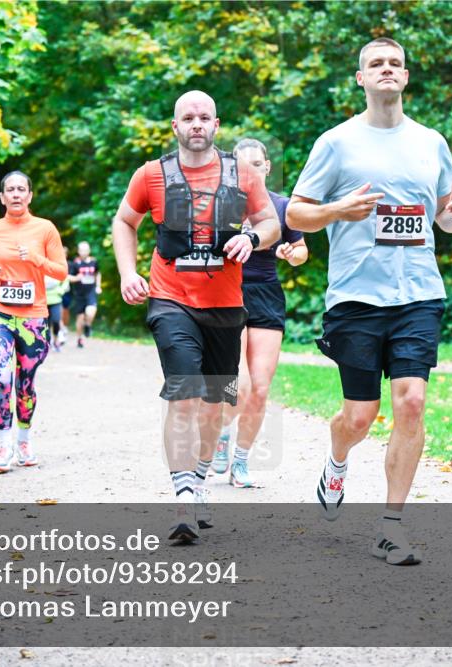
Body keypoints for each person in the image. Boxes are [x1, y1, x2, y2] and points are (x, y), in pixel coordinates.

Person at [288, 37, 452, 565]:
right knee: (359, 416)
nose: (386, 69)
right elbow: (297, 213)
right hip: (356, 296)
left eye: (395, 63)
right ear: (361, 78)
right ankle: (337, 463)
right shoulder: (336, 143)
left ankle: (390, 528)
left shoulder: (431, 143)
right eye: (376, 63)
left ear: (406, 76)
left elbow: (442, 214)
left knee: (411, 402)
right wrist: (337, 210)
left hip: (419, 292)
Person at [111, 90, 281, 543]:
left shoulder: (243, 173)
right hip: (171, 299)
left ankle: (200, 477)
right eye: (188, 118)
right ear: (176, 126)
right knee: (184, 392)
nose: (197, 124)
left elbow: (271, 223)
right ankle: (183, 497)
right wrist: (128, 272)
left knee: (216, 402)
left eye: (205, 117)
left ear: (216, 124)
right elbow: (124, 221)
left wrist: (253, 239)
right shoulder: (151, 175)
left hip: (225, 306)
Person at [213, 139, 309, 488]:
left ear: (267, 167)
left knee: (261, 388)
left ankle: (240, 461)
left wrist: (291, 254)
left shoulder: (282, 206)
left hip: (266, 294)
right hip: (228, 294)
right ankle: (222, 432)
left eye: (257, 163)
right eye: (242, 164)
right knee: (239, 384)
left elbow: (301, 251)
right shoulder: (222, 206)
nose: (250, 170)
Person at [0, 171, 67, 473]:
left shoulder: (45, 229)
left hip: (33, 317)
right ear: (2, 197)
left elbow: (61, 271)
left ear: (29, 195)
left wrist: (36, 258)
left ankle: (23, 441)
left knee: (25, 383)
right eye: (10, 190)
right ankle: (4, 445)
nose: (15, 194)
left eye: (21, 189)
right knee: (1, 377)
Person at [68, 241, 101, 348]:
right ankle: (79, 339)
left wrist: (98, 286)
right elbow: (68, 277)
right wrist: (76, 278)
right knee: (80, 318)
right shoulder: (75, 263)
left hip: (91, 291)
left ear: (89, 251)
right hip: (79, 294)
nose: (84, 252)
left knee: (91, 311)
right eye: (81, 250)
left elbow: (98, 273)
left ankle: (88, 325)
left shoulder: (94, 262)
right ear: (78, 251)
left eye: (85, 250)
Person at [45, 272, 69, 351]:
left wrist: (61, 290)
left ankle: (56, 340)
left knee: (56, 321)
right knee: (46, 324)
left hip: (56, 300)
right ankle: (47, 343)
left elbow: (65, 278)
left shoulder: (56, 267)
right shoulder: (40, 266)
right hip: (43, 301)